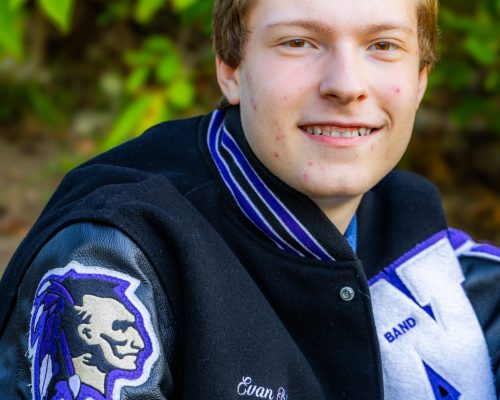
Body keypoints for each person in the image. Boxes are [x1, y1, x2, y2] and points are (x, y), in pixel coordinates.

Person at [0, 0, 498, 398]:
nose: (347, 86)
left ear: (420, 79)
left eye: (384, 45)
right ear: (231, 69)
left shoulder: (418, 232)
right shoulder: (116, 254)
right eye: (298, 42)